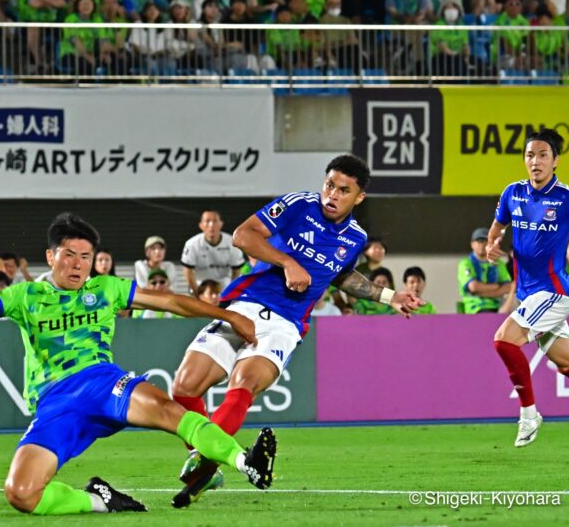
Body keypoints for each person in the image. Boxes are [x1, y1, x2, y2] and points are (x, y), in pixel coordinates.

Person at [0, 212, 277, 516]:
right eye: (69, 255)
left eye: (86, 257)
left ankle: (243, 461)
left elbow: (172, 301)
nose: (78, 265)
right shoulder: (25, 296)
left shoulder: (106, 288)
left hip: (102, 383)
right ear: (51, 257)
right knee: (21, 494)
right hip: (56, 404)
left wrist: (228, 315)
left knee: (167, 409)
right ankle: (101, 500)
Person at [170, 155, 423, 507]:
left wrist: (388, 295)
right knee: (184, 386)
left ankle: (207, 462)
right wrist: (288, 262)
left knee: (243, 382)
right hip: (244, 305)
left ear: (359, 197)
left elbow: (342, 275)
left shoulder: (355, 237)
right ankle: (208, 459)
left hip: (285, 324)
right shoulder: (299, 204)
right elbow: (243, 236)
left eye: (343, 190)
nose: (332, 194)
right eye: (329, 185)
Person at [486, 128, 569, 448]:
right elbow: (497, 228)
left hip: (553, 293)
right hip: (529, 295)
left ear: (556, 161)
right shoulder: (513, 193)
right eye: (530, 155)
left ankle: (529, 414)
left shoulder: (568, 199)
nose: (536, 161)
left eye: (543, 155)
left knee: (503, 341)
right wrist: (491, 245)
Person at [181, 210, 245, 295]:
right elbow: (187, 271)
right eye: (207, 221)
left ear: (221, 224)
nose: (211, 225)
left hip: (224, 286)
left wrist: (231, 293)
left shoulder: (233, 243)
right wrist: (198, 294)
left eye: (215, 221)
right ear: (201, 225)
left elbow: (236, 271)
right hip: (199, 286)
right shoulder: (191, 244)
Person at [458, 227, 512, 313]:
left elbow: (508, 287)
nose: (482, 244)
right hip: (474, 308)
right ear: (472, 244)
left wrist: (483, 293)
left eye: (485, 241)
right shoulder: (466, 263)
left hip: (498, 306)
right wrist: (497, 286)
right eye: (478, 241)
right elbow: (473, 287)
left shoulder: (498, 263)